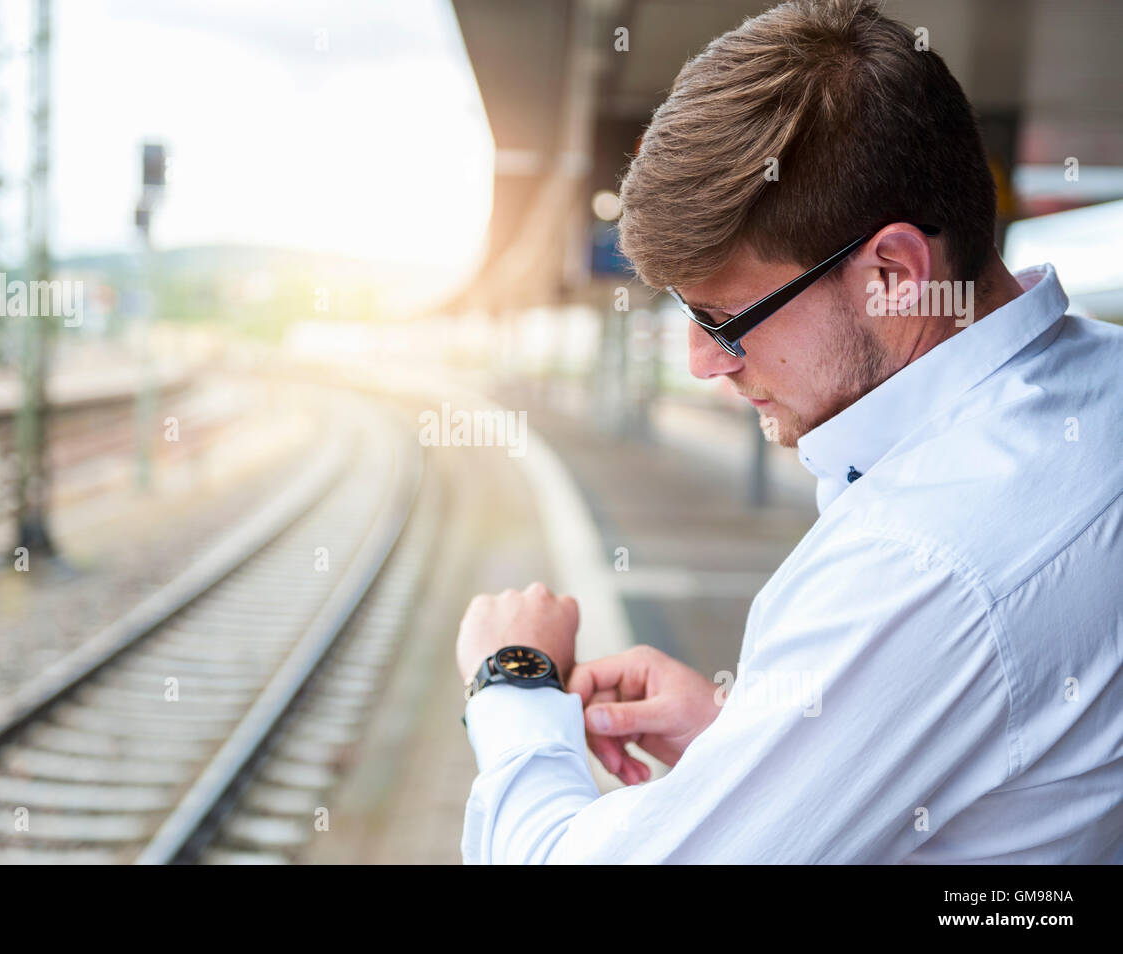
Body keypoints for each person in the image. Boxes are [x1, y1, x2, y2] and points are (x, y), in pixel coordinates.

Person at [456, 0, 1123, 863]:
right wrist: (757, 747)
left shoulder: (917, 562)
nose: (702, 361)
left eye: (726, 317)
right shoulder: (1103, 377)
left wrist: (513, 688)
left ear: (892, 274)